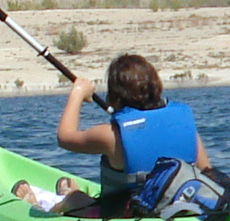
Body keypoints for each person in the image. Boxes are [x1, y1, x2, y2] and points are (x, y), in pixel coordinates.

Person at [56, 53, 213, 212]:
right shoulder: (182, 122)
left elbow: (64, 137)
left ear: (114, 96)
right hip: (182, 206)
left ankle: (54, 199)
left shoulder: (110, 136)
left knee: (75, 198)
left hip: (129, 215)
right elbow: (207, 171)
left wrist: (78, 92)